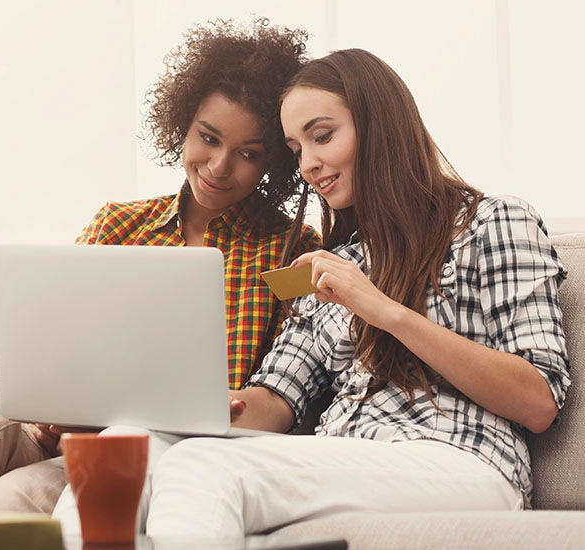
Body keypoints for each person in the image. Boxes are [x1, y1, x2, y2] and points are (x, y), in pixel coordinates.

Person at [52, 48, 571, 543]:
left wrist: (382, 309)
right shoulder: (333, 263)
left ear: (379, 124)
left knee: (201, 467)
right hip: (346, 458)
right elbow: (276, 400)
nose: (307, 164)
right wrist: (184, 405)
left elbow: (538, 400)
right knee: (122, 448)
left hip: (462, 458)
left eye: (322, 136)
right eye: (297, 149)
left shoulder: (493, 221)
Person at [0, 17, 320, 517]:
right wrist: (50, 412)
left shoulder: (292, 247)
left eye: (247, 154)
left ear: (274, 163)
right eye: (208, 138)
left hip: (163, 453)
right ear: (182, 123)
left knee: (10, 498)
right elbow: (52, 346)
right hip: (63, 434)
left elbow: (288, 384)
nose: (219, 166)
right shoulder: (119, 223)